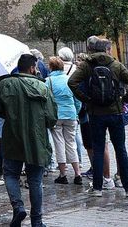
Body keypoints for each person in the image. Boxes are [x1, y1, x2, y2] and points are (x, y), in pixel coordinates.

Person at [69, 36, 128, 196]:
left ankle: (98, 188)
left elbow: (72, 82)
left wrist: (86, 99)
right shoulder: (116, 65)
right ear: (107, 50)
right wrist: (124, 99)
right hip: (115, 112)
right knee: (121, 150)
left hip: (95, 113)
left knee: (98, 149)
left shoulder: (87, 65)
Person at [0, 53, 58, 227]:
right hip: (37, 139)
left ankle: (18, 207)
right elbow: (52, 117)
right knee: (35, 181)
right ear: (32, 68)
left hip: (12, 136)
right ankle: (37, 221)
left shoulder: (5, 84)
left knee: (10, 174)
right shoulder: (43, 87)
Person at [46, 55, 82, 186]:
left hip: (56, 116)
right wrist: (75, 112)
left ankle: (63, 174)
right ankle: (77, 174)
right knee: (71, 143)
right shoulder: (70, 80)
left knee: (59, 144)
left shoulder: (48, 81)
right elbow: (78, 100)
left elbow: (46, 100)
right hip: (71, 114)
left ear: (51, 67)